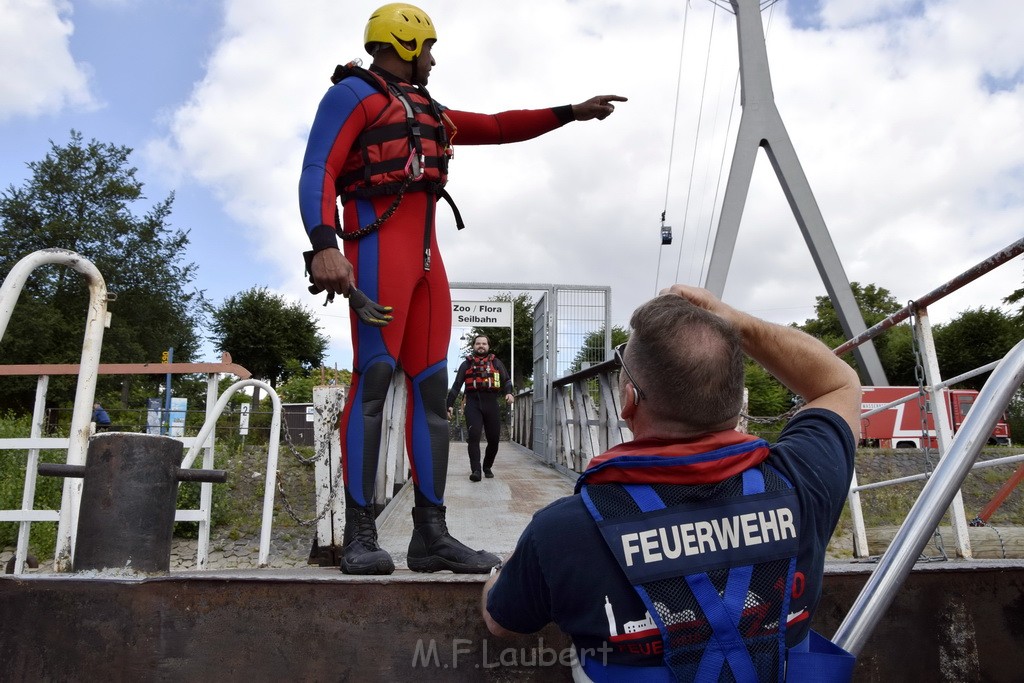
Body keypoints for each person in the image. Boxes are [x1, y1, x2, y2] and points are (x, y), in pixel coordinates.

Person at [298, 3, 626, 576]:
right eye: (426, 48)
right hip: (375, 252)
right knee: (373, 382)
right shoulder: (351, 96)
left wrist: (570, 112)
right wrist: (325, 243)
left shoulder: (431, 111)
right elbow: (317, 169)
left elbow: (498, 127)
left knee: (430, 393)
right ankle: (359, 533)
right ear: (403, 45)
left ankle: (431, 536)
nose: (431, 58)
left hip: (427, 263)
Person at [481, 286, 860, 682]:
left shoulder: (562, 531)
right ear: (734, 398)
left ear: (628, 400)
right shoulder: (802, 481)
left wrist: (502, 570)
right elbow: (838, 384)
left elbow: (501, 621)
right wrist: (734, 320)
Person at [447, 335, 514, 482]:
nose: (481, 346)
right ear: (474, 345)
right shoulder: (466, 365)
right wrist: (449, 405)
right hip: (473, 404)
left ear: (488, 346)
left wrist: (509, 393)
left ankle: (487, 466)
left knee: (494, 440)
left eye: (484, 343)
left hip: (491, 404)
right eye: (478, 343)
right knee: (474, 436)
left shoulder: (496, 363)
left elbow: (507, 380)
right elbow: (456, 386)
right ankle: (476, 470)